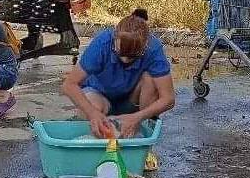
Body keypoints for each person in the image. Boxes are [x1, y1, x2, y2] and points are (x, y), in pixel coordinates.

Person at [62, 9, 175, 138]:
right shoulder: (102, 43)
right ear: (115, 39)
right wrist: (92, 113)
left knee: (151, 79)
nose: (125, 60)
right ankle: (98, 136)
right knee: (90, 106)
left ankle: (142, 128)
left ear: (145, 47)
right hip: (100, 95)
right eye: (120, 53)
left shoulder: (153, 48)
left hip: (133, 100)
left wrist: (138, 117)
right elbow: (69, 85)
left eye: (132, 57)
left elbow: (168, 99)